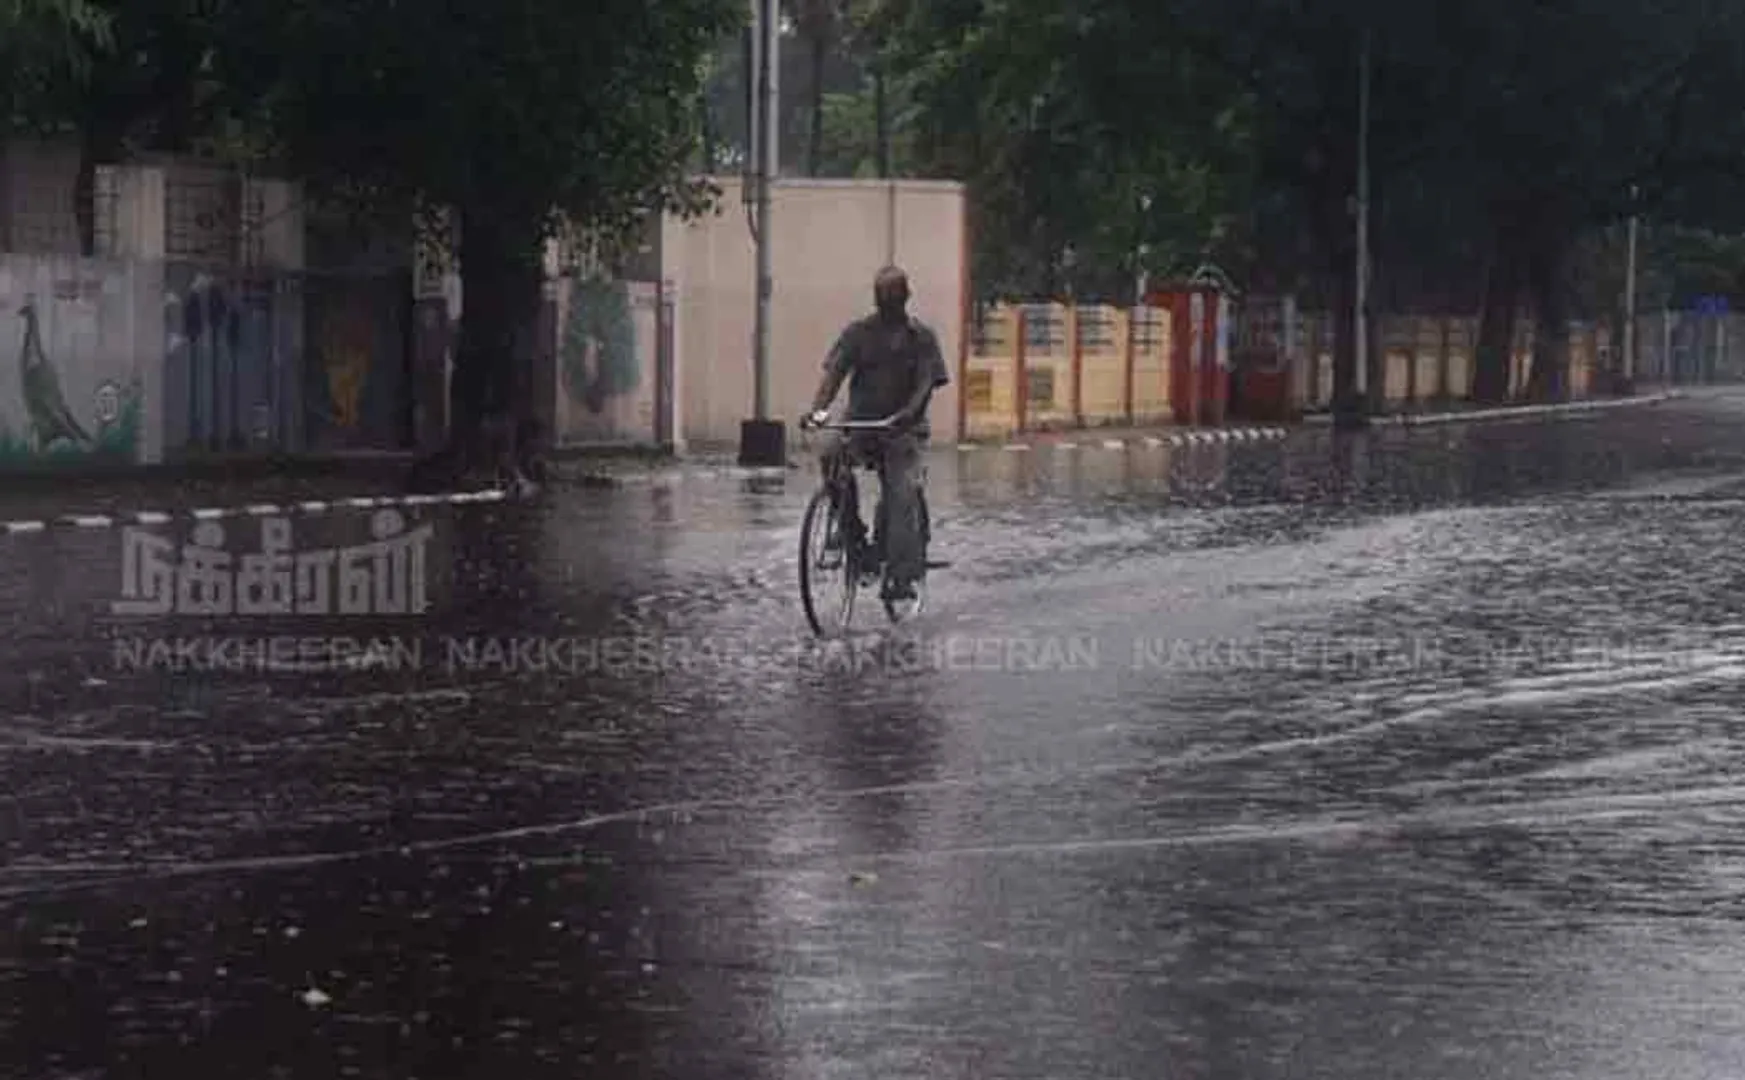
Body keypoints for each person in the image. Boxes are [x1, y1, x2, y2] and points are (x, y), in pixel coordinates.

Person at [801, 266, 949, 601]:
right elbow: (834, 375)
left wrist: (907, 415)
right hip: (861, 425)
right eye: (883, 298)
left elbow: (927, 383)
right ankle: (851, 533)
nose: (888, 305)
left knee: (902, 494)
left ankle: (901, 575)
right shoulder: (858, 333)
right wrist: (819, 412)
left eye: (894, 298)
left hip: (903, 431)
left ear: (906, 297)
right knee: (830, 454)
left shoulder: (921, 337)